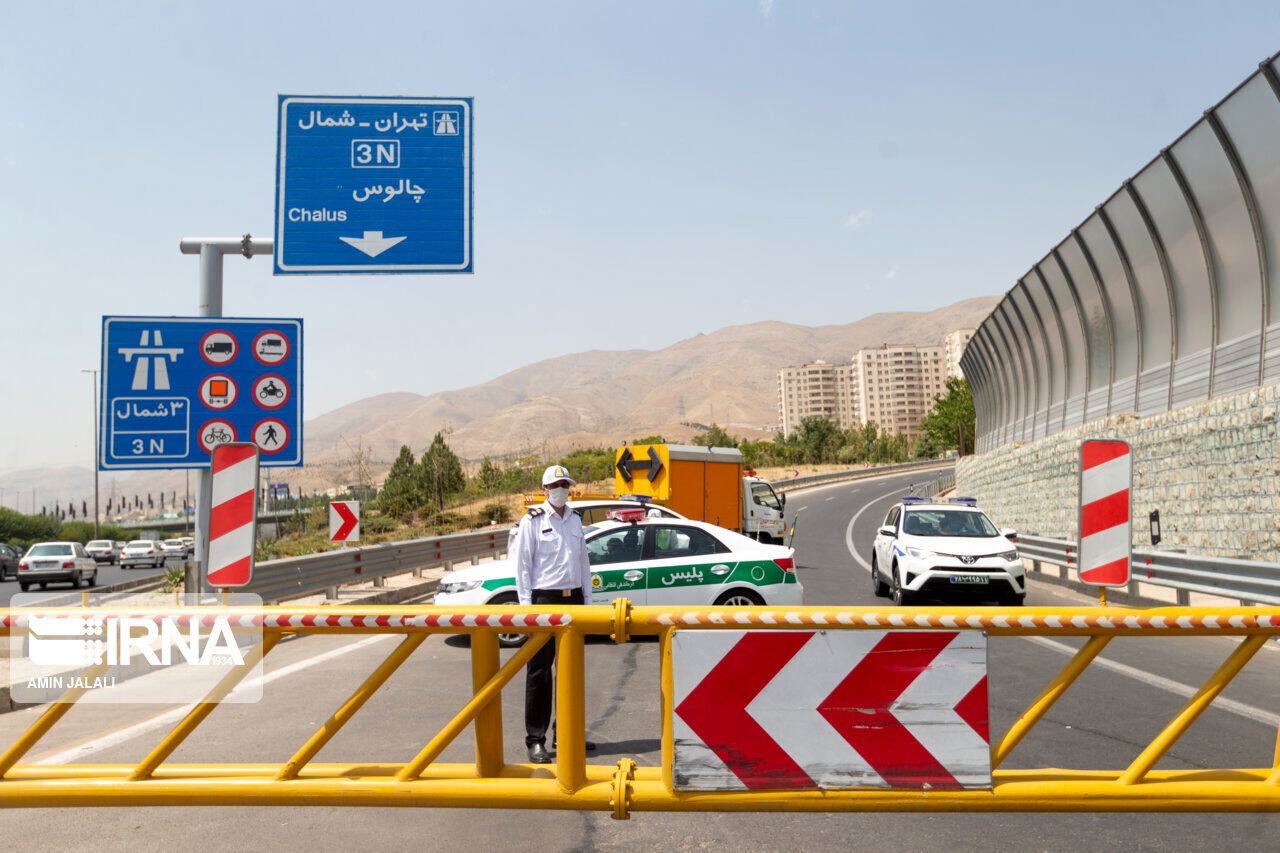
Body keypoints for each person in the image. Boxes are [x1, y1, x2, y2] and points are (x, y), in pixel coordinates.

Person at [515, 464, 598, 764]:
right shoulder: (533, 521)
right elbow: (523, 568)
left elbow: (584, 564)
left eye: (565, 484)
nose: (562, 489)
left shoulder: (575, 520)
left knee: (570, 670)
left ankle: (567, 733)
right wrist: (527, 611)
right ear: (545, 490)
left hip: (573, 599)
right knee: (539, 673)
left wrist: (587, 605)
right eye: (556, 485)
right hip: (544, 601)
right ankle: (536, 739)